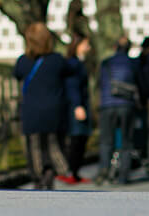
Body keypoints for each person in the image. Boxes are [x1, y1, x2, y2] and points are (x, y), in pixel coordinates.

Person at [14, 23, 74, 190]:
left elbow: (17, 74)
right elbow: (71, 71)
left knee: (34, 146)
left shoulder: (23, 61)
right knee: (54, 144)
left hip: (32, 111)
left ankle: (38, 175)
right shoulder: (57, 60)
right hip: (54, 111)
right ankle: (53, 170)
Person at [94, 35, 143, 185]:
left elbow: (99, 84)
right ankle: (123, 175)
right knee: (127, 142)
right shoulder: (133, 63)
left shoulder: (106, 63)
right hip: (126, 104)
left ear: (115, 47)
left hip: (108, 104)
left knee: (106, 141)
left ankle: (104, 169)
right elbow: (139, 83)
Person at [58, 33, 92, 184]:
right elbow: (73, 86)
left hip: (79, 104)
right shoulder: (73, 64)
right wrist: (78, 105)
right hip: (76, 106)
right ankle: (70, 171)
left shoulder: (78, 63)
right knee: (76, 139)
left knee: (80, 139)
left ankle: (75, 172)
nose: (88, 47)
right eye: (86, 44)